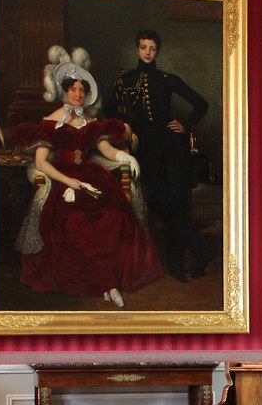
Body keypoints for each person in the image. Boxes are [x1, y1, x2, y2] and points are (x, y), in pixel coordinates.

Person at [11, 47, 163, 308]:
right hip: (62, 178)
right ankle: (105, 285)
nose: (79, 95)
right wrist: (69, 182)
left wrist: (126, 158)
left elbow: (104, 149)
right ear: (65, 92)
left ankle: (110, 283)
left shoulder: (91, 121)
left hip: (92, 176)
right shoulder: (51, 121)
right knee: (76, 224)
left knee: (115, 216)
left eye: (82, 90)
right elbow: (40, 162)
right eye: (74, 90)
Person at [107, 30, 211, 283]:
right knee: (157, 203)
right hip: (147, 149)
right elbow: (111, 110)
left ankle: (176, 266)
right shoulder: (126, 79)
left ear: (158, 51)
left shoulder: (167, 79)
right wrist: (125, 127)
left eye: (152, 48)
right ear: (137, 49)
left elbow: (201, 103)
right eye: (143, 47)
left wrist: (186, 125)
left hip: (173, 148)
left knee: (175, 205)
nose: (147, 52)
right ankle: (203, 250)